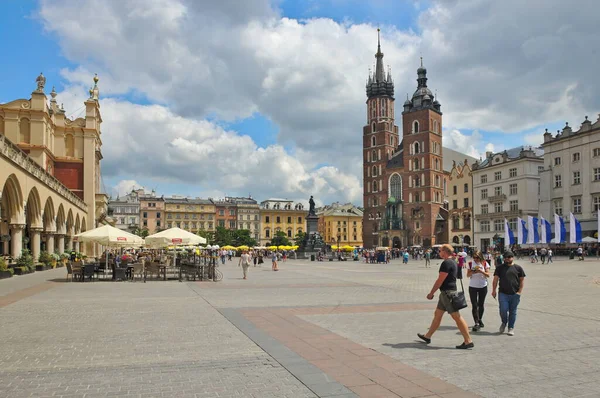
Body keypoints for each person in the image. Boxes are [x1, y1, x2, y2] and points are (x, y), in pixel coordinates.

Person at [417, 244, 474, 349]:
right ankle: (428, 336)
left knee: (456, 316)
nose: (439, 252)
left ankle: (468, 340)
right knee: (437, 314)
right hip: (446, 293)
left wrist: (431, 293)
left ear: (444, 251)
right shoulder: (453, 262)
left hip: (448, 293)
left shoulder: (446, 263)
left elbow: (440, 279)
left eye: (440, 250)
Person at [492, 250, 526, 336]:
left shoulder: (518, 268)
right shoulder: (500, 268)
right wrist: (493, 290)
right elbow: (495, 279)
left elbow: (521, 281)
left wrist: (519, 292)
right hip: (503, 293)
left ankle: (511, 327)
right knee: (503, 310)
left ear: (512, 258)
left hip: (515, 293)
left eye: (509, 257)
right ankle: (504, 322)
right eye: (505, 258)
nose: (507, 259)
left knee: (513, 311)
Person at [467, 251, 491, 332]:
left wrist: (481, 271)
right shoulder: (470, 263)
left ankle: (480, 319)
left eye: (477, 257)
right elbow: (468, 275)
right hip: (473, 286)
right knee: (474, 305)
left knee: (481, 304)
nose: (475, 259)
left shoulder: (484, 263)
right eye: (474, 257)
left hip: (483, 286)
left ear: (480, 257)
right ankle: (476, 323)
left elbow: (488, 274)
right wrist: (473, 271)